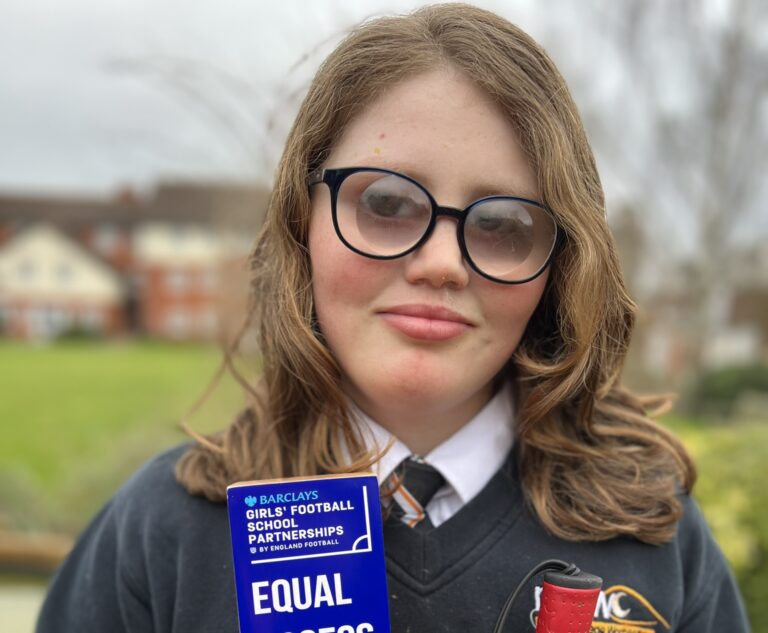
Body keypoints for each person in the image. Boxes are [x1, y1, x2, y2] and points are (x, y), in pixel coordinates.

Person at [36, 4, 750, 632]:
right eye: (385, 204)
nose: (442, 263)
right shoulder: (163, 538)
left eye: (502, 223)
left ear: (561, 264)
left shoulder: (657, 545)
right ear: (300, 222)